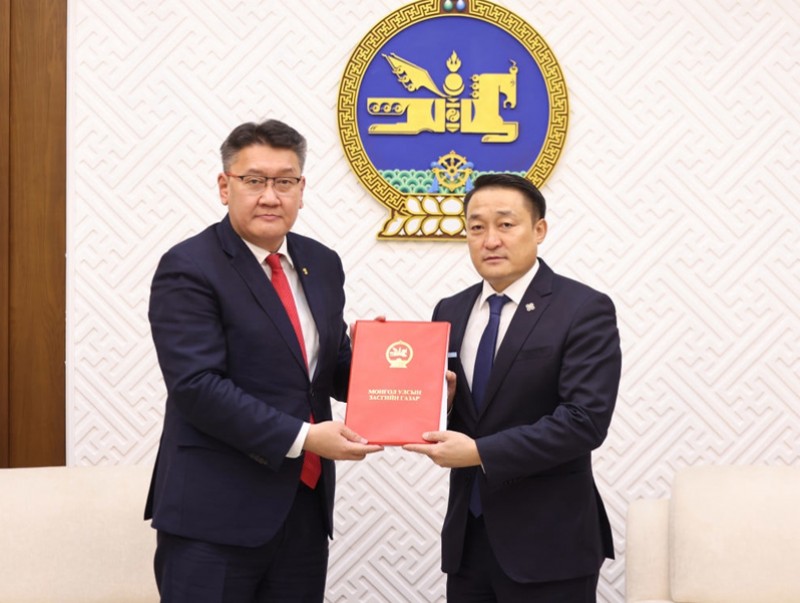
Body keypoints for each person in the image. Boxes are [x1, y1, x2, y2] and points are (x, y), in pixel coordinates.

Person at [145, 118, 382, 602]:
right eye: (254, 180)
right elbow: (196, 386)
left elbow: (323, 371)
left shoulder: (322, 263)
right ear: (224, 186)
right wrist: (305, 437)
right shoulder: (189, 266)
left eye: (285, 182)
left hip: (301, 510)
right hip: (212, 517)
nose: (270, 196)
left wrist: (392, 372)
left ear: (301, 189)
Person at [404, 173, 621, 602]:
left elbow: (584, 422)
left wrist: (480, 453)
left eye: (506, 224)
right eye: (477, 227)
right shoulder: (450, 310)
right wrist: (433, 401)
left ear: (539, 230)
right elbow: (462, 412)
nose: (490, 240)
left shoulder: (583, 309)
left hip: (551, 543)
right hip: (469, 542)